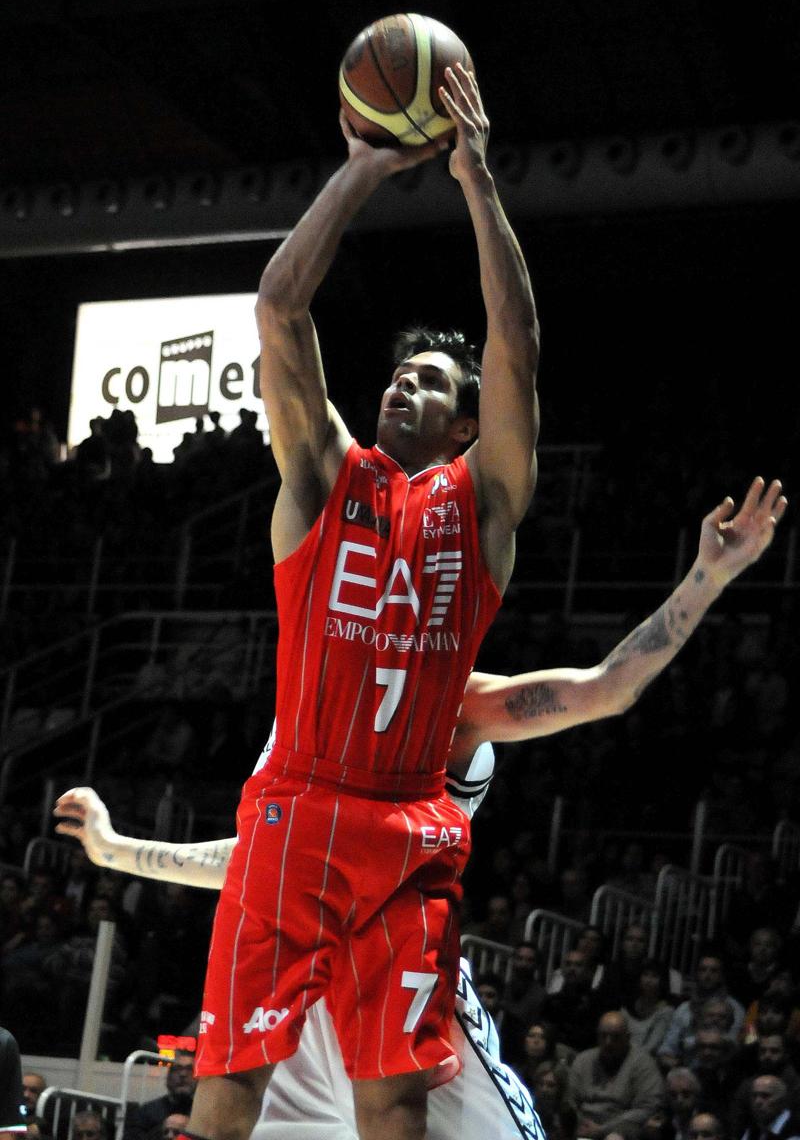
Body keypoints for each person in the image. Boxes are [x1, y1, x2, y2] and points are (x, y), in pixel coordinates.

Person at [56, 477, 786, 1139]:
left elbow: (605, 687)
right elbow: (255, 863)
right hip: (305, 1014)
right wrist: (118, 850)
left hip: (400, 977)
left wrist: (709, 575)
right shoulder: (306, 706)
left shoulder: (451, 703)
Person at [190, 59, 541, 1140]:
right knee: (226, 1091)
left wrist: (476, 181)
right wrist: (357, 171)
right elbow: (278, 306)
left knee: (391, 1101)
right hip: (296, 803)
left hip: (407, 821)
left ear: (464, 423)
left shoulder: (479, 506)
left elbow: (517, 346)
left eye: (434, 381)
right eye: (399, 373)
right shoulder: (320, 476)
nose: (405, 382)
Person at [567, 1010, 664, 1140]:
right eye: (603, 1036)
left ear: (628, 1037)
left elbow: (647, 1107)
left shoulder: (643, 1064)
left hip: (622, 1128)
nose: (608, 1042)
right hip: (583, 1125)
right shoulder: (583, 1060)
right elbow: (569, 1100)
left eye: (615, 1037)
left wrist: (603, 1129)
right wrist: (580, 1124)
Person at [123, 1053, 196, 1140]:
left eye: (190, 1069)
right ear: (168, 1077)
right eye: (177, 1069)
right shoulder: (145, 1112)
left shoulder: (204, 1115)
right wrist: (161, 1131)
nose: (183, 1074)